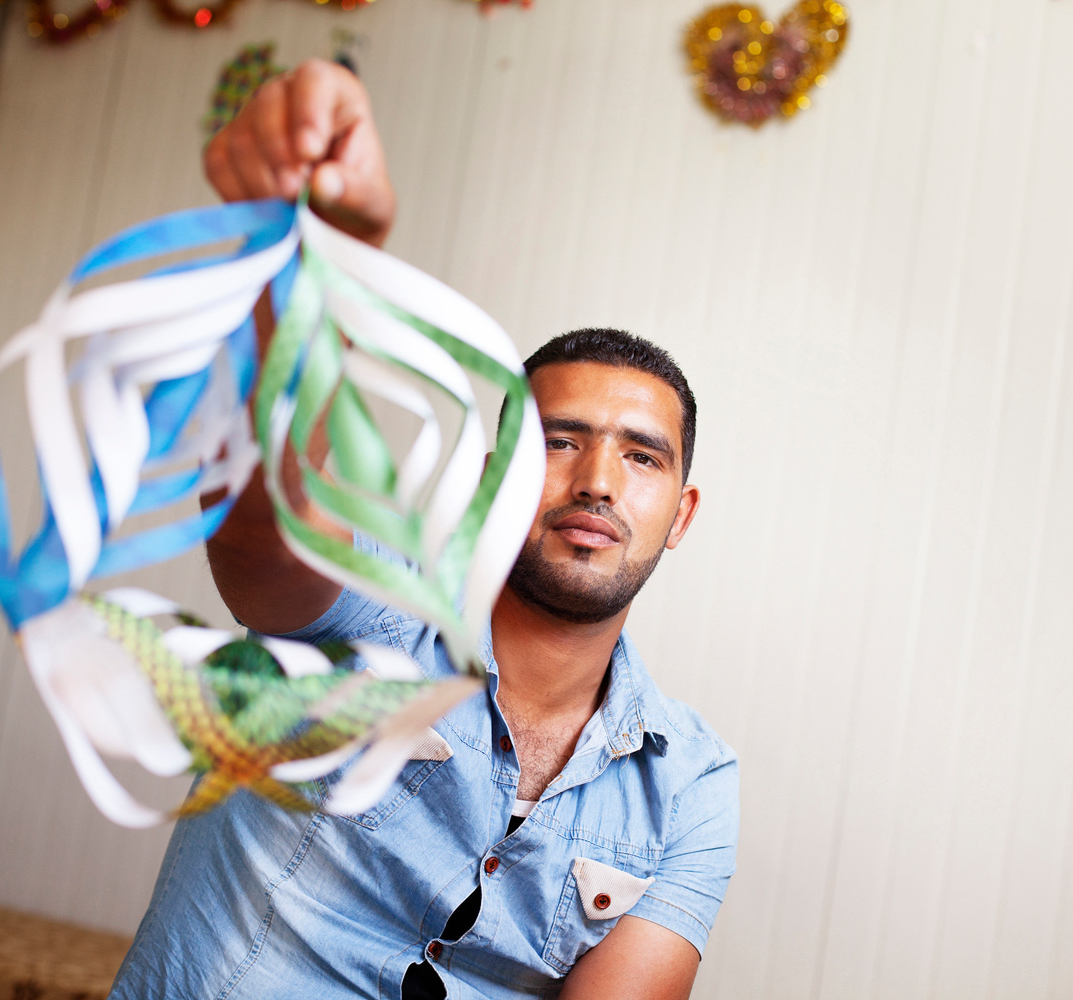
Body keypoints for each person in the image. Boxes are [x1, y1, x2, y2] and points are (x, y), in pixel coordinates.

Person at [109, 60, 738, 1000]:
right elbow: (261, 526)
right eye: (558, 442)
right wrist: (309, 272)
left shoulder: (690, 784)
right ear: (494, 477)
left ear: (680, 514)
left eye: (643, 457)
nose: (598, 482)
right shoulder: (370, 610)